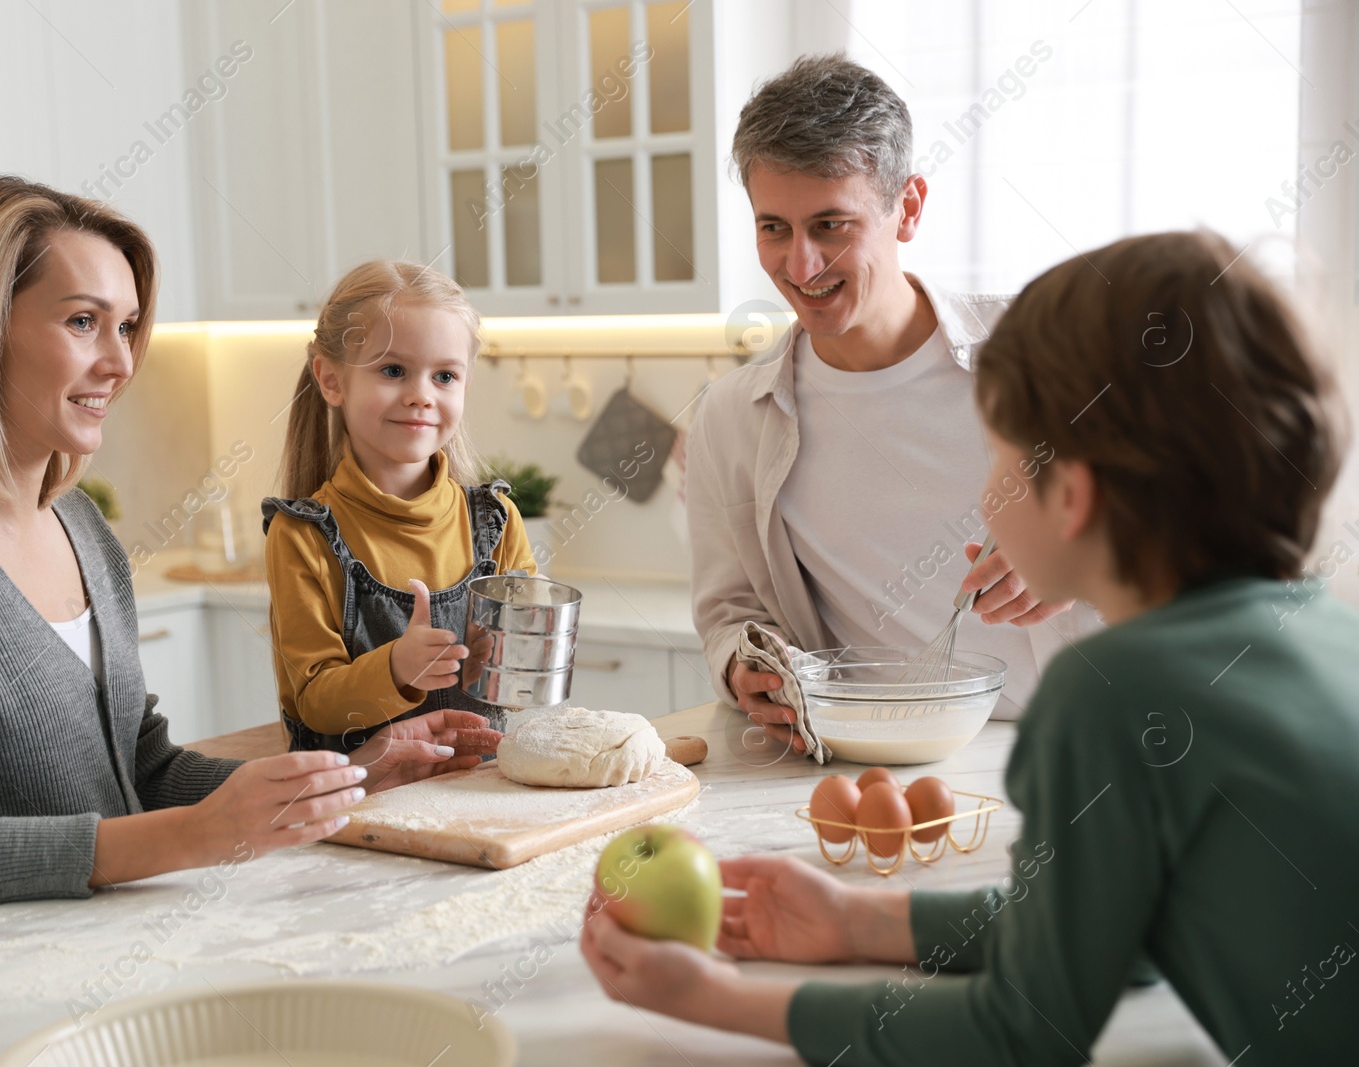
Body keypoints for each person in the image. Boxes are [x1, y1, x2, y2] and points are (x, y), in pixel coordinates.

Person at [580, 230, 1359, 1062]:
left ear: (1073, 497)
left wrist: (716, 999)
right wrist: (858, 919)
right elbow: (1123, 936)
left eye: (998, 456)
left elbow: (1022, 1032)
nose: (987, 491)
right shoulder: (1326, 627)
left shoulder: (1112, 695)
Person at [0, 178, 497, 924]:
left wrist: (352, 774)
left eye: (126, 327)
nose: (121, 363)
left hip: (128, 941)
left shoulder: (81, 526)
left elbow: (145, 769)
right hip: (1, 993)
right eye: (84, 322)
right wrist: (199, 835)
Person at [686, 53, 1099, 750]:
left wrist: (1079, 558)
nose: (800, 266)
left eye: (830, 225)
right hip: (864, 758)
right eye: (773, 228)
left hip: (1070, 740)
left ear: (906, 208)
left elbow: (1197, 521)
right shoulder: (730, 417)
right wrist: (740, 666)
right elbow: (729, 608)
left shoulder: (1054, 353)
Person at [263, 260, 537, 752]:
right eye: (393, 370)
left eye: (445, 376)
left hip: (478, 785)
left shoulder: (498, 523)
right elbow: (315, 702)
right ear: (330, 379)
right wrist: (397, 669)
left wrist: (514, 659)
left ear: (467, 382)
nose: (421, 396)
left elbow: (517, 680)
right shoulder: (302, 535)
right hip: (360, 804)